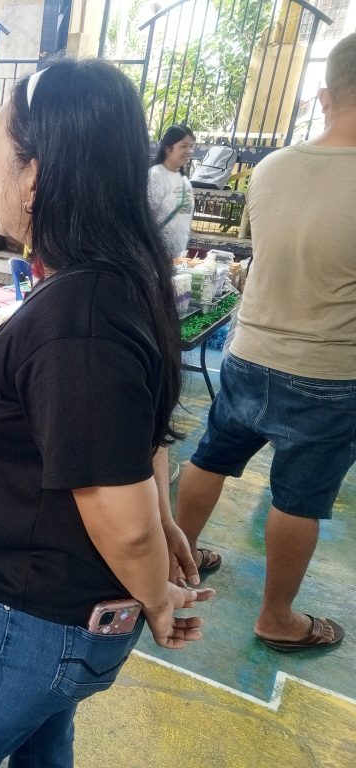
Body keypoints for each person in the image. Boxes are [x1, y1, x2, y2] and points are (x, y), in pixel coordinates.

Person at [0, 60, 213, 768]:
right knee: (43, 746)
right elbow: (141, 441)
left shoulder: (83, 319)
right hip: (47, 617)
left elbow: (120, 520)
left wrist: (159, 593)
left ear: (34, 175)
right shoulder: (112, 279)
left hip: (24, 626)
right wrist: (165, 523)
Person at [175, 32, 356, 653]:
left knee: (212, 456)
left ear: (323, 94)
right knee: (299, 498)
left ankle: (178, 561)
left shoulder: (274, 167)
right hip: (329, 370)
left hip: (249, 353)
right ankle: (276, 616)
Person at [149, 124, 196, 258]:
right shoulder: (156, 175)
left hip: (178, 256)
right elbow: (146, 217)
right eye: (183, 146)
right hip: (156, 256)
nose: (189, 151)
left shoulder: (185, 181)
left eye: (191, 146)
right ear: (168, 148)